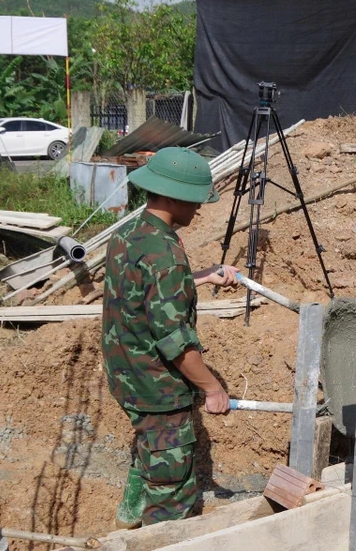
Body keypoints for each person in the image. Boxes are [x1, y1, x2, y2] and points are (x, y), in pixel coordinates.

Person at [101, 147, 240, 528]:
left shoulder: (130, 232)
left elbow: (141, 290)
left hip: (125, 372)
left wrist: (200, 277)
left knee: (150, 439)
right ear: (174, 197)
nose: (199, 208)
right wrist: (212, 388)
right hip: (156, 386)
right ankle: (155, 530)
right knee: (172, 490)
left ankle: (131, 509)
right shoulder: (166, 254)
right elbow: (175, 341)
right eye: (195, 200)